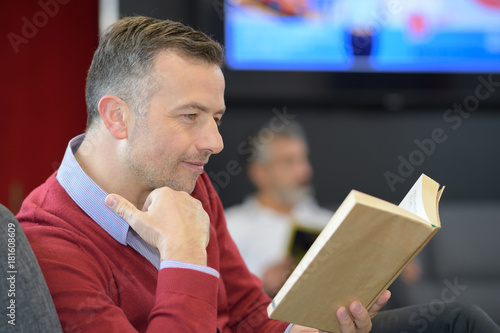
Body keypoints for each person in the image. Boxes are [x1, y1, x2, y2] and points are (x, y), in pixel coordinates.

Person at [16, 15, 500, 333]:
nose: (215, 142)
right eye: (190, 116)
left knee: (460, 320)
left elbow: (249, 314)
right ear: (117, 116)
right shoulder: (47, 246)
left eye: (217, 118)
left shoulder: (186, 179)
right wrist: (184, 254)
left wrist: (307, 327)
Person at [225, 121, 333, 297]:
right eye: (289, 162)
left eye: (303, 159)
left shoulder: (332, 223)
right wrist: (261, 284)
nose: (304, 172)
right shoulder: (229, 228)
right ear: (259, 172)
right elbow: (214, 298)